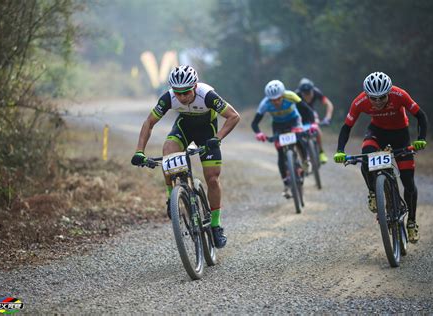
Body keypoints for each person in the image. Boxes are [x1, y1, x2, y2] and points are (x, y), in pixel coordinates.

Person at [131, 65, 240, 248]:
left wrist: (217, 138)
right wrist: (139, 151)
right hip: (184, 128)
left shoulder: (207, 95)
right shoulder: (168, 98)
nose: (181, 97)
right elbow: (149, 122)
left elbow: (234, 116)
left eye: (186, 92)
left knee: (212, 179)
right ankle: (171, 197)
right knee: (168, 153)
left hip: (207, 131)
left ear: (195, 86)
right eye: (178, 93)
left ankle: (215, 226)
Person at [333, 72, 428, 243]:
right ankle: (373, 192)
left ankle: (412, 222)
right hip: (377, 133)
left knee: (408, 183)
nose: (377, 102)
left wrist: (421, 139)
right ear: (367, 95)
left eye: (382, 97)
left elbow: (420, 116)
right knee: (366, 157)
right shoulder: (360, 101)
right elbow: (347, 127)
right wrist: (340, 150)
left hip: (400, 136)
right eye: (373, 98)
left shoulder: (400, 95)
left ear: (389, 92)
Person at [251, 79, 315, 198]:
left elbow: (307, 110)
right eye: (273, 100)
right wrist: (258, 133)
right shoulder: (265, 104)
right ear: (269, 99)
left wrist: (313, 124)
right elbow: (254, 123)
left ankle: (306, 161)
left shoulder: (291, 96)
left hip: (294, 121)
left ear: (283, 95)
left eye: (278, 98)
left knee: (300, 139)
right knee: (280, 152)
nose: (276, 102)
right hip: (278, 125)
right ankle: (286, 183)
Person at [295, 78, 335, 164]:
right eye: (304, 94)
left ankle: (321, 152)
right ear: (301, 92)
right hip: (299, 116)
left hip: (311, 114)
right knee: (297, 137)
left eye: (309, 93)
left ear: (312, 90)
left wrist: (327, 118)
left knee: (317, 129)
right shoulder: (296, 95)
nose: (307, 96)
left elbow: (329, 104)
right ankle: (303, 159)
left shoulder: (317, 92)